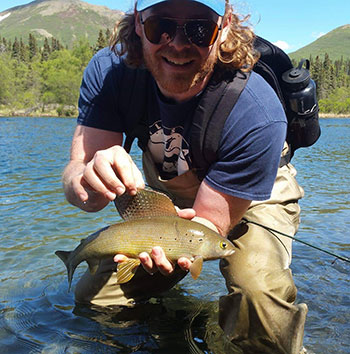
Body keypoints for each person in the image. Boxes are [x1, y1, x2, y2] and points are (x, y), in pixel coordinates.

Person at [62, 0, 308, 352]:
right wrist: (88, 177)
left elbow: (208, 228)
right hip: (167, 190)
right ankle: (169, 332)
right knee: (95, 299)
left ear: (222, 28)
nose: (177, 43)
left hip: (251, 193)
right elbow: (79, 190)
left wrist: (176, 251)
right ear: (137, 23)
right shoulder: (110, 74)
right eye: (160, 26)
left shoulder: (256, 109)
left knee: (258, 295)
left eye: (197, 28)